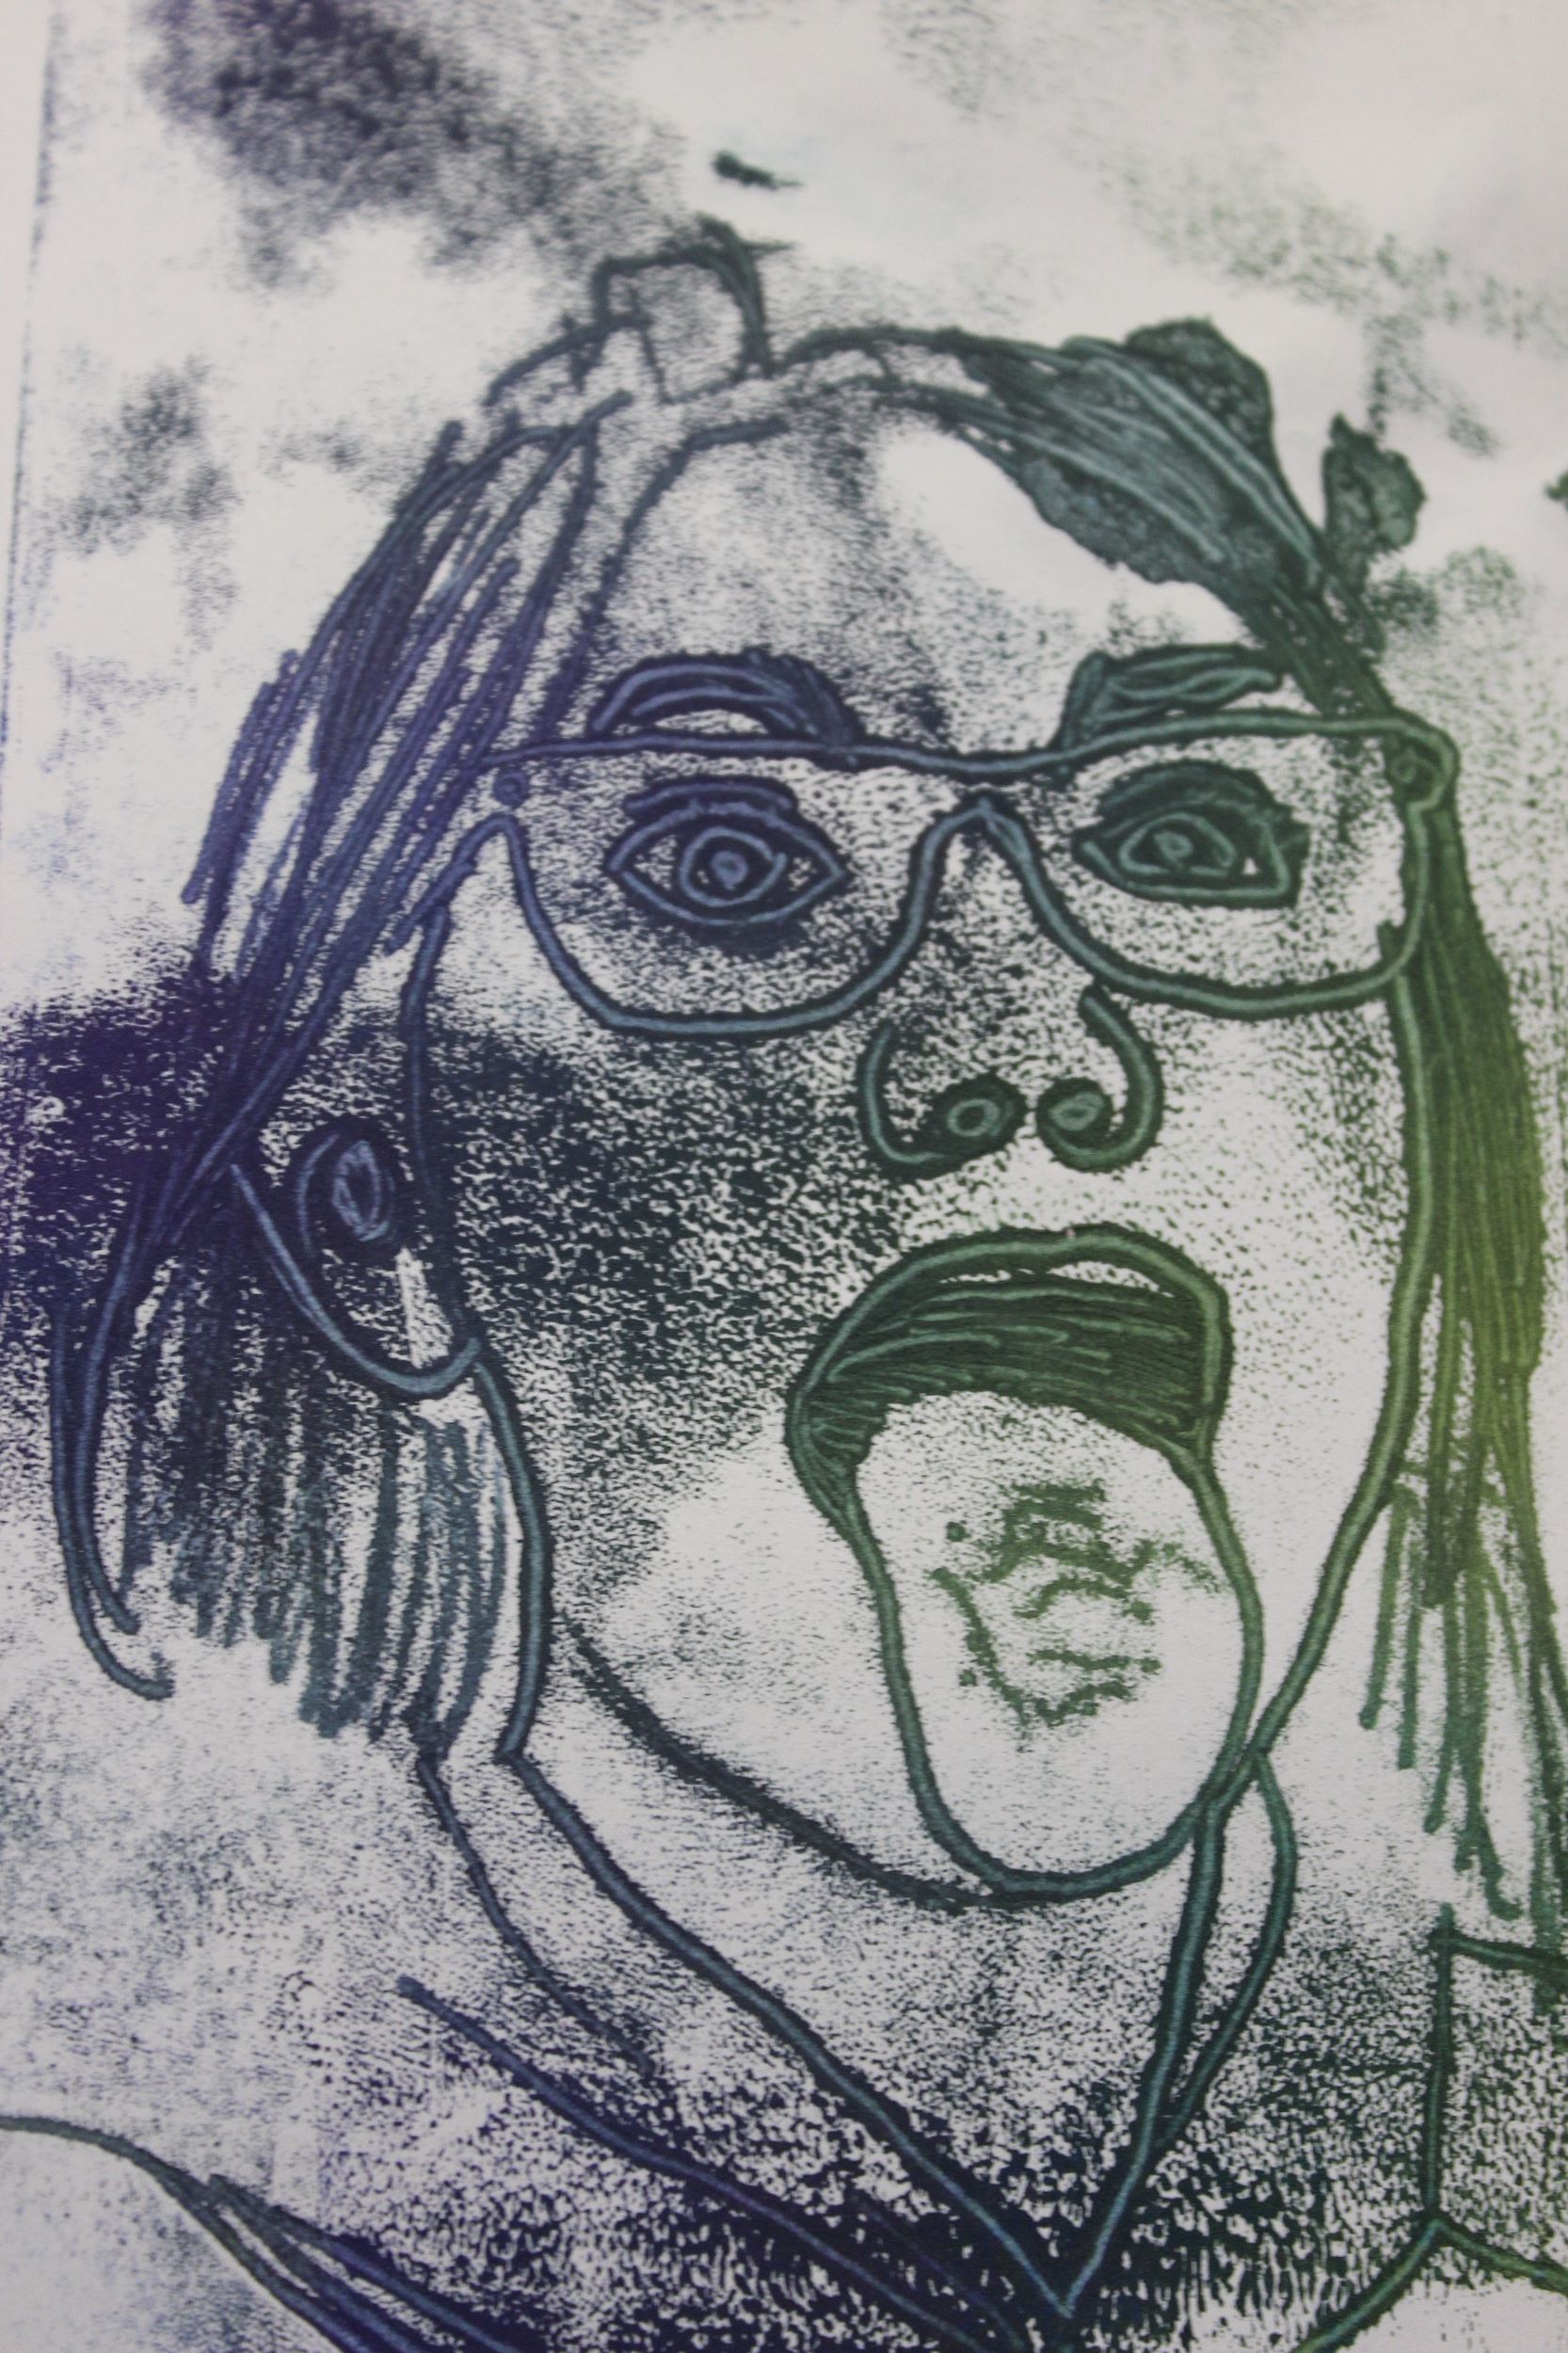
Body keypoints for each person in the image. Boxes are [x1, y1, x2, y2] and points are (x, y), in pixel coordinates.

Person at [10, 219, 1568, 2352]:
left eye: (1191, 836)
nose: (1022, 1041)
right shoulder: (167, 2249)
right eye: (729, 860)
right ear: (370, 1199)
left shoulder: (1509, 2191)